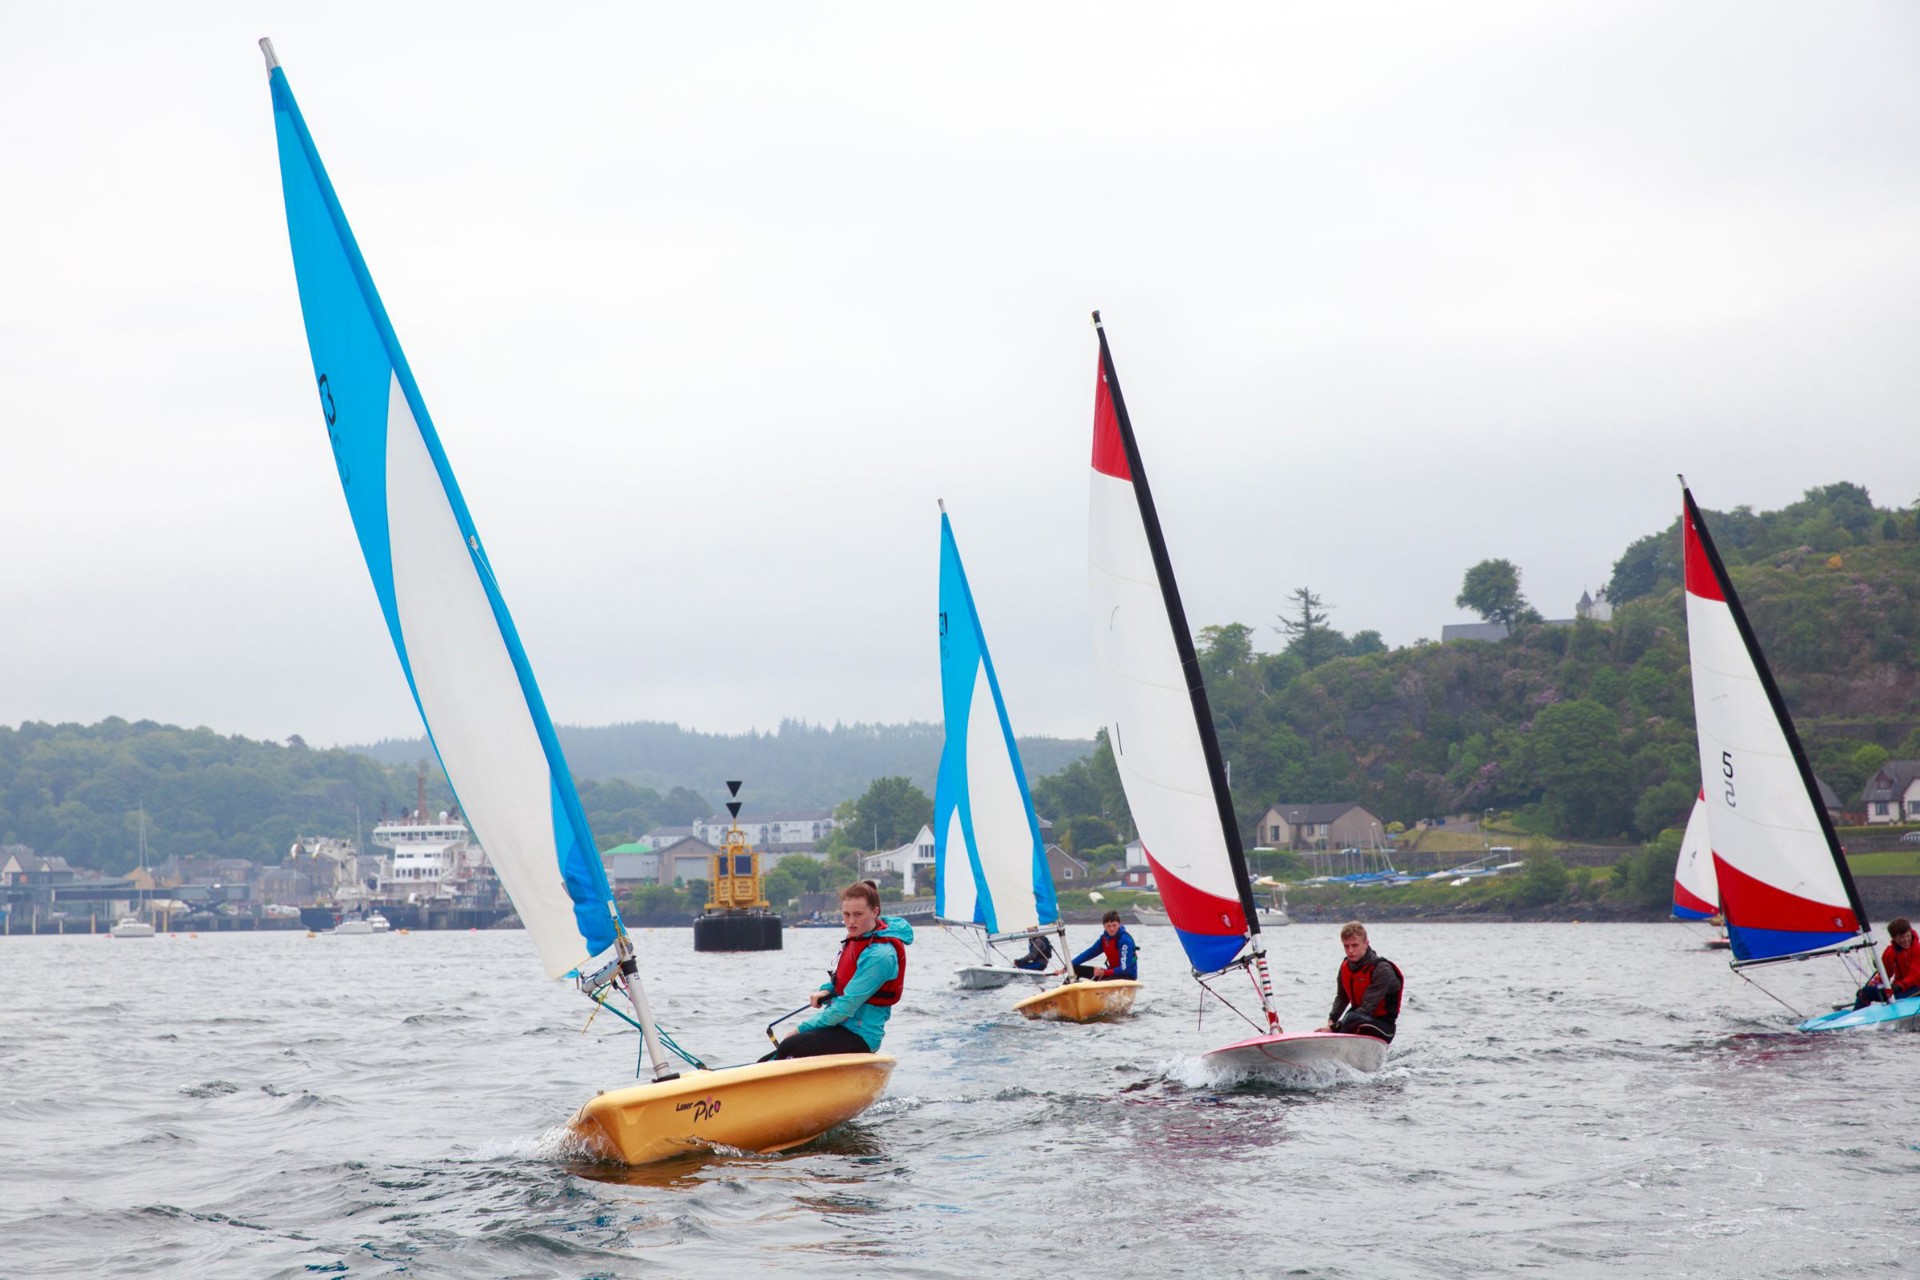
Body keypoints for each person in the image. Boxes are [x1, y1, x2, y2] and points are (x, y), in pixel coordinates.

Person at [765, 880, 913, 1060]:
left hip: (861, 1036)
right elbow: (843, 981)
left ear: (875, 912)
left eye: (858, 914)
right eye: (846, 914)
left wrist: (800, 1029)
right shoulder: (859, 938)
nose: (851, 922)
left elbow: (847, 1005)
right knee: (768, 1059)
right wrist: (827, 990)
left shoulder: (880, 956)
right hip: (841, 1026)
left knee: (790, 1044)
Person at [1326, 921, 1402, 1042]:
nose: (1350, 950)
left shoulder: (1382, 969)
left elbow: (1367, 1008)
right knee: (1351, 1018)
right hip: (1356, 1019)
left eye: (1355, 945)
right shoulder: (1345, 966)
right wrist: (1331, 1020)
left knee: (1352, 1018)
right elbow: (1342, 996)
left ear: (1366, 944)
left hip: (1383, 1026)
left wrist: (1334, 1028)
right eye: (1346, 946)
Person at [1852, 917, 1920, 1008]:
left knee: (1895, 998)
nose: (1906, 940)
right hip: (1899, 988)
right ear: (1894, 938)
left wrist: (1899, 987)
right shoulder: (1889, 952)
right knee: (1865, 992)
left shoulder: (1917, 950)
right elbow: (1883, 975)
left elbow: (1915, 975)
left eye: (1908, 936)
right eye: (1901, 937)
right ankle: (1855, 1017)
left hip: (1916, 988)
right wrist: (1870, 986)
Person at [1071, 910, 1138, 981]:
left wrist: (1104, 972)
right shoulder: (1104, 939)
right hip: (1111, 974)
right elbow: (1089, 953)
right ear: (1104, 926)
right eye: (1108, 926)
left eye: (1114, 925)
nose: (1111, 929)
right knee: (1074, 969)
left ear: (1119, 924)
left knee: (1100, 983)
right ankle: (1064, 990)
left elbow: (1124, 968)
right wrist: (1068, 966)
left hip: (1126, 976)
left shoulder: (1125, 940)